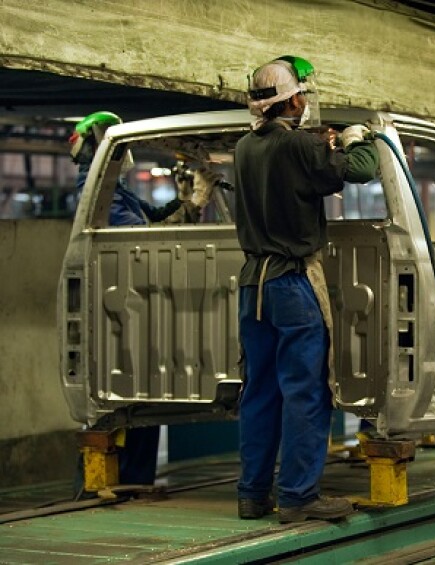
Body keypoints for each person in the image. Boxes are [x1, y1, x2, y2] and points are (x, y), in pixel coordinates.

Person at [234, 55, 378, 522]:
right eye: (302, 95)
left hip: (253, 284)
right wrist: (357, 137)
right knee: (306, 391)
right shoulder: (296, 146)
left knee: (259, 391)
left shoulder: (244, 148)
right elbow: (360, 169)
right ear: (292, 99)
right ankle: (298, 497)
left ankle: (253, 495)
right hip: (292, 284)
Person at [69, 111, 219, 488]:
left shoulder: (114, 189)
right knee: (129, 405)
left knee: (143, 404)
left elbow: (152, 215)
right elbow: (142, 239)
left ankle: (136, 482)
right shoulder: (96, 189)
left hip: (137, 304)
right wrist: (195, 203)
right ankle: (123, 483)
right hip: (121, 306)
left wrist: (186, 200)